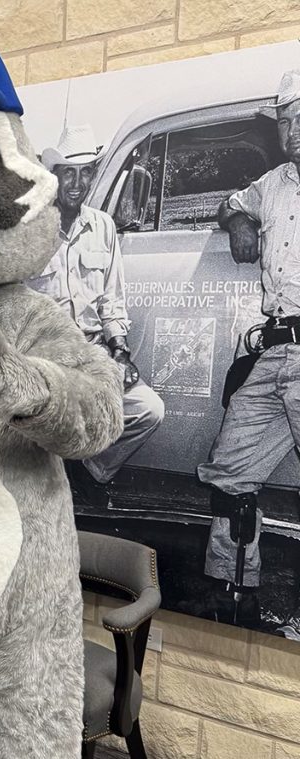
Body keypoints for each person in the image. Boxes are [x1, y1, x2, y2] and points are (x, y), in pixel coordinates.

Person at [197, 69, 300, 633]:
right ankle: (232, 597)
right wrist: (239, 221)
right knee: (230, 470)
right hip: (277, 350)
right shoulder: (274, 183)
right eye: (286, 119)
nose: (294, 128)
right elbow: (228, 203)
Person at [29, 123, 165, 507]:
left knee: (149, 410)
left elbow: (112, 301)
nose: (77, 183)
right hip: (45, 358)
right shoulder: (31, 231)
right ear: (55, 176)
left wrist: (120, 352)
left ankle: (91, 472)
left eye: (85, 172)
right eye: (69, 173)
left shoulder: (103, 226)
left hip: (94, 354)